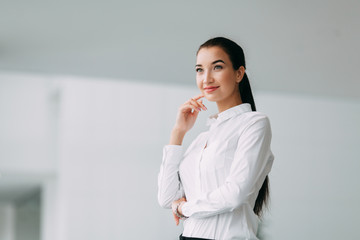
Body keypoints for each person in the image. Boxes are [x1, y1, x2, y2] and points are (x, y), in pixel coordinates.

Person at [157, 37, 274, 240]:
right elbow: (166, 198)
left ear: (239, 73)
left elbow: (235, 194)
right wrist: (178, 133)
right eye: (200, 70)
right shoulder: (202, 138)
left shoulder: (254, 124)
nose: (206, 79)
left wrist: (184, 208)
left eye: (217, 67)